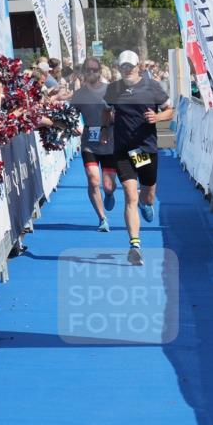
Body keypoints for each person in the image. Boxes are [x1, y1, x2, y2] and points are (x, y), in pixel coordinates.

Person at [104, 50, 174, 266]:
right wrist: (106, 128)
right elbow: (106, 111)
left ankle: (147, 203)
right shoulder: (113, 89)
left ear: (138, 67)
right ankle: (134, 245)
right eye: (123, 66)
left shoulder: (151, 86)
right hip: (123, 150)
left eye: (130, 66)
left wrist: (158, 117)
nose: (126, 69)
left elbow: (170, 110)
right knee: (129, 195)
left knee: (147, 195)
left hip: (144, 150)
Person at [71, 57, 117, 231]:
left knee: (108, 186)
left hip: (109, 142)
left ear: (99, 72)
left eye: (94, 70)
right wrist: (73, 127)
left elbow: (120, 114)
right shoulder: (79, 95)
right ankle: (102, 218)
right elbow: (71, 116)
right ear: (84, 72)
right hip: (89, 142)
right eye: (88, 70)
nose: (91, 73)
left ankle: (110, 193)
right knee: (93, 179)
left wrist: (112, 119)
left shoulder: (110, 91)